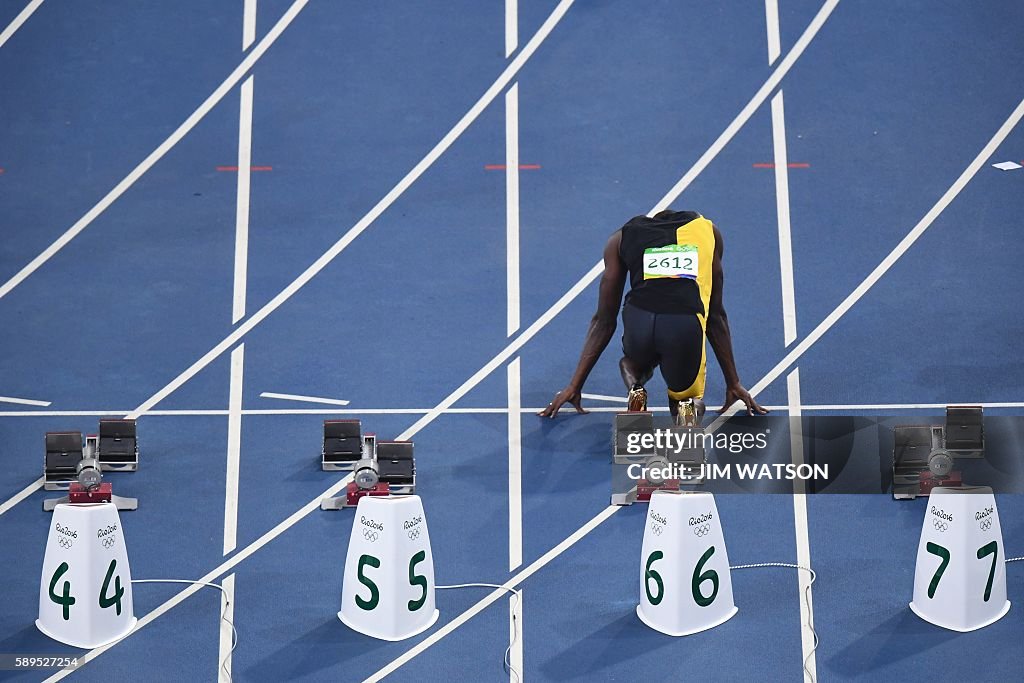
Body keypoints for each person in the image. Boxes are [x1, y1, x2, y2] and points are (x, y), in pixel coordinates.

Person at [538, 209, 766, 420]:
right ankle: (685, 451)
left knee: (631, 365)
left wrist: (574, 386)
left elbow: (604, 321)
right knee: (686, 401)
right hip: (683, 324)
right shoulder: (708, 232)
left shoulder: (620, 238)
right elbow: (716, 317)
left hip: (640, 321)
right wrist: (733, 382)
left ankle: (636, 393)